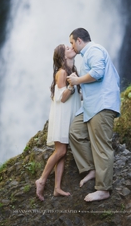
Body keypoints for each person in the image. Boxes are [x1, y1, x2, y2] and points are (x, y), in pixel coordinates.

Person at [66, 28, 121, 202]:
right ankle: (91, 169)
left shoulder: (94, 50)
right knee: (75, 131)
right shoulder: (86, 56)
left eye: (72, 42)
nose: (71, 46)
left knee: (101, 146)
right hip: (90, 107)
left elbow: (98, 73)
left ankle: (103, 189)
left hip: (102, 105)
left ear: (80, 41)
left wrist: (77, 80)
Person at [35, 44, 82, 200]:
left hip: (69, 116)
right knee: (60, 151)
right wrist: (72, 85)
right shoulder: (62, 73)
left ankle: (57, 188)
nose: (71, 48)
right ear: (63, 57)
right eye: (67, 48)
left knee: (62, 152)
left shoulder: (72, 71)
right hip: (62, 116)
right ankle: (41, 180)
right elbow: (62, 97)